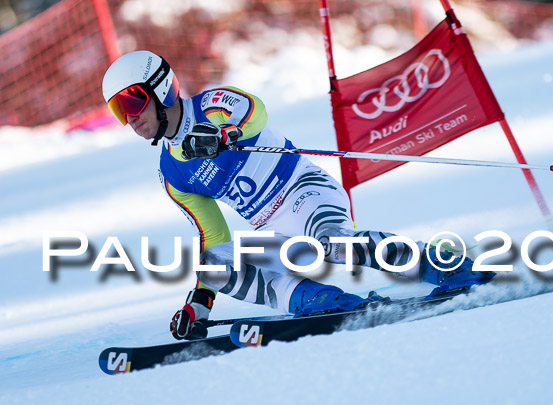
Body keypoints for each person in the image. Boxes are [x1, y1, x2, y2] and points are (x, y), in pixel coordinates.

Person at [101, 50, 493, 340]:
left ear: (161, 88)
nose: (130, 118)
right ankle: (318, 302)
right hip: (274, 233)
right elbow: (215, 237)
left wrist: (226, 135)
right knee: (211, 265)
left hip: (304, 192)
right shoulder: (171, 174)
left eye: (132, 102)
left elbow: (257, 112)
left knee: (334, 245)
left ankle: (447, 267)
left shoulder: (212, 105)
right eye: (119, 111)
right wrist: (200, 303)